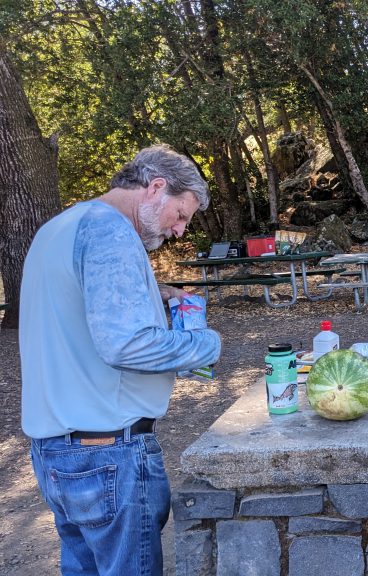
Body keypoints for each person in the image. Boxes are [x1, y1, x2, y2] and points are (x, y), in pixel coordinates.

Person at [20, 145, 222, 575]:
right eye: (182, 215)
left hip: (56, 451)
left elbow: (75, 313)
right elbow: (125, 345)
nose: (181, 231)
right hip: (108, 453)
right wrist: (207, 345)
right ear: (156, 188)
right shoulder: (111, 232)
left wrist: (158, 294)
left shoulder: (59, 227)